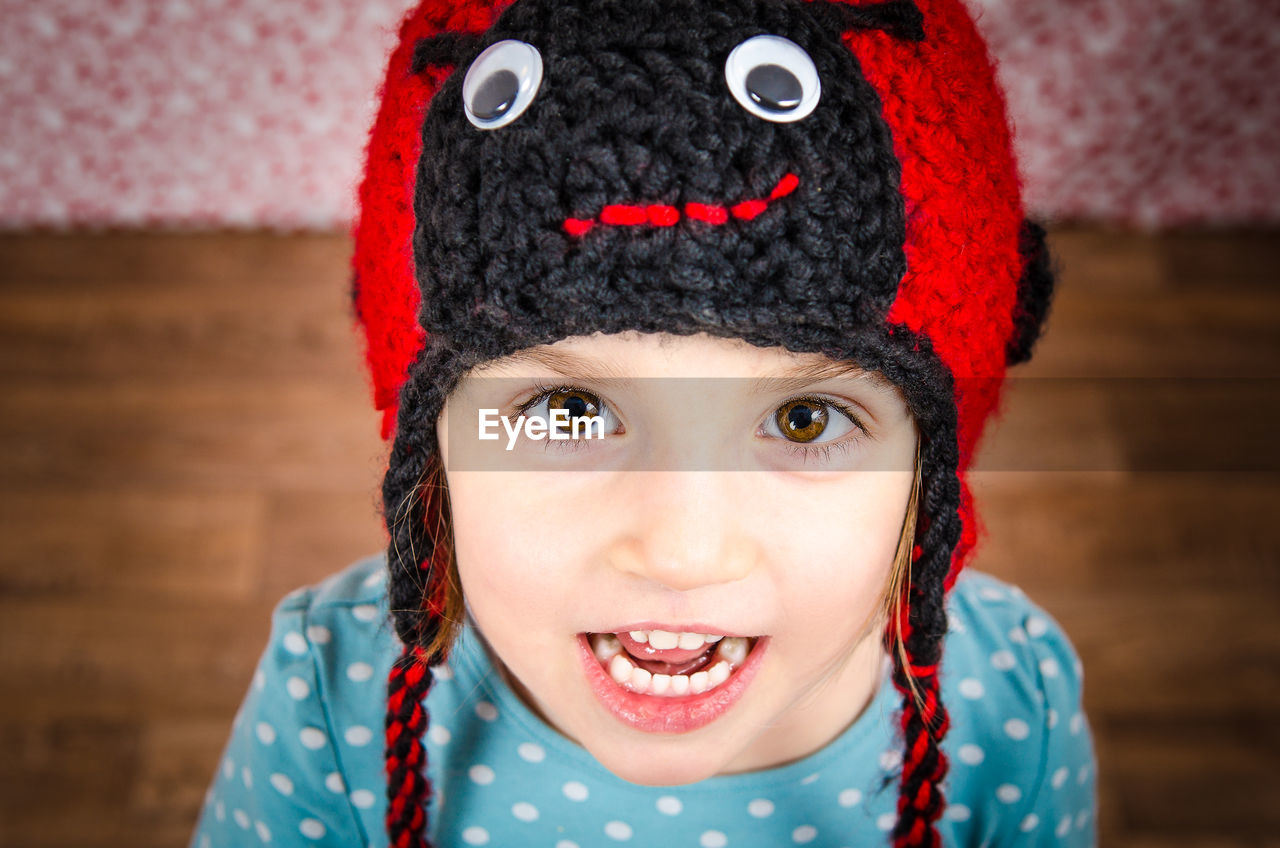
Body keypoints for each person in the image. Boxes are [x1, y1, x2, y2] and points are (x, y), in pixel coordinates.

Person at [189, 0, 1099, 845]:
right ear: (431, 445)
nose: (682, 553)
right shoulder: (328, 697)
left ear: (930, 466)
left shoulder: (1012, 707)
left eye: (806, 418)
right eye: (569, 410)